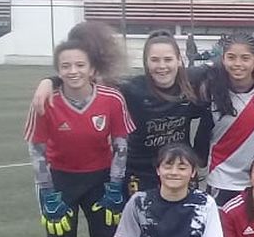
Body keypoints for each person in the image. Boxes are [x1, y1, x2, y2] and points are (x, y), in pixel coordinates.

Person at [26, 23, 134, 237]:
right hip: (60, 182)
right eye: (65, 66)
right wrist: (47, 193)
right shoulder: (46, 101)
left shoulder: (112, 98)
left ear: (92, 69)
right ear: (57, 71)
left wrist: (115, 185)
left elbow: (121, 146)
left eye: (79, 65)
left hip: (100, 181)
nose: (73, 71)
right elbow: (37, 150)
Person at [31, 30, 208, 196]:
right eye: (154, 60)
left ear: (179, 60)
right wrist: (50, 81)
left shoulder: (192, 81)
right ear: (146, 62)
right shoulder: (132, 89)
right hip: (139, 173)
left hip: (177, 169)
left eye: (168, 59)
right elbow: (86, 78)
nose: (162, 66)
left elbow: (222, 68)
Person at [190, 30, 254, 202]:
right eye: (231, 57)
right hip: (221, 180)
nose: (238, 64)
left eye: (245, 58)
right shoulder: (210, 89)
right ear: (223, 59)